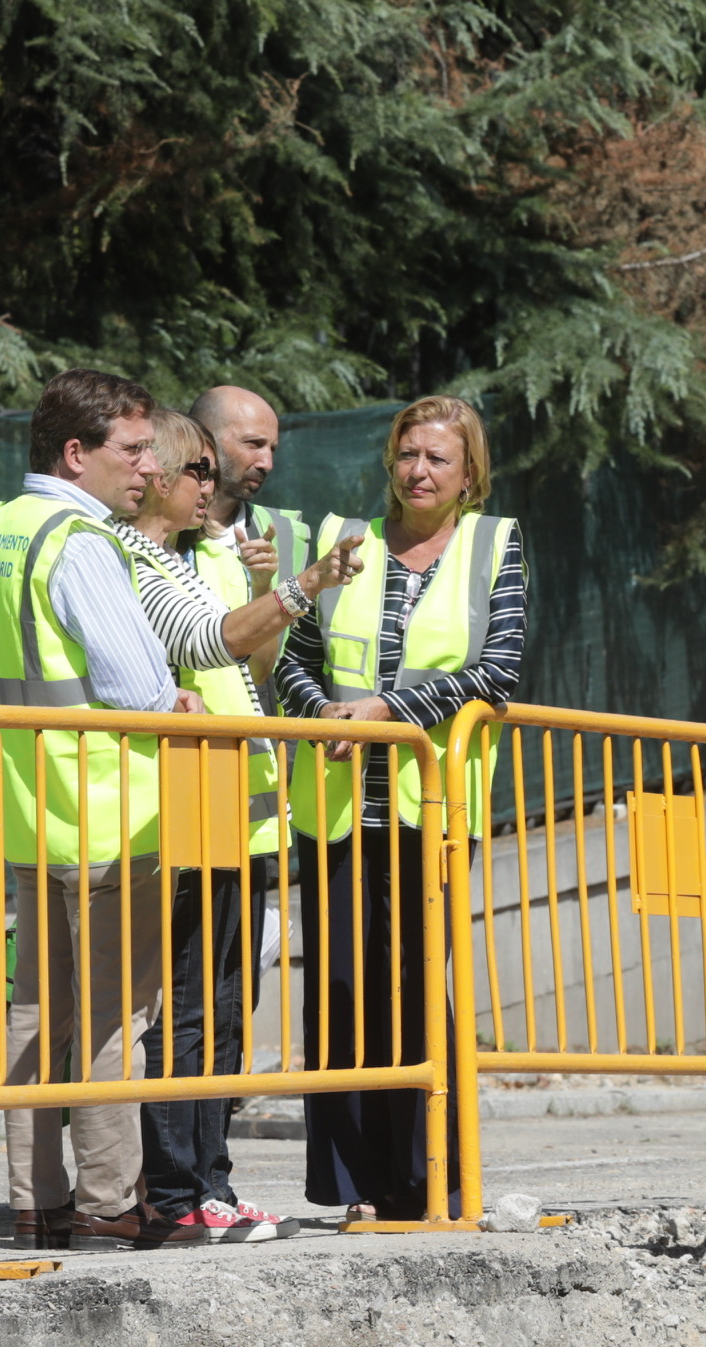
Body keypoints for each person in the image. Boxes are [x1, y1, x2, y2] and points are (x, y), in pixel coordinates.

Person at [110, 406, 362, 1243]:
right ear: (158, 476)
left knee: (223, 1010)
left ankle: (210, 1182)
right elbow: (206, 644)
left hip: (235, 810)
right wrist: (302, 586)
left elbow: (247, 666)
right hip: (183, 810)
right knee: (185, 1012)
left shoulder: (196, 555)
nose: (211, 486)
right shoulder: (136, 560)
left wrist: (268, 591)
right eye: (200, 471)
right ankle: (177, 1192)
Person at [0, 367, 197, 1251]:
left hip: (32, 813)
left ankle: (37, 1200)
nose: (149, 468)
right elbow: (138, 688)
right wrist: (176, 699)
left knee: (34, 1013)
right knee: (112, 1019)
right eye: (132, 450)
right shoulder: (82, 541)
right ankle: (107, 1202)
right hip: (110, 813)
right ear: (75, 452)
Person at [276, 395, 523, 1224]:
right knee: (342, 989)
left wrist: (387, 711)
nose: (419, 471)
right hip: (339, 807)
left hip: (433, 809)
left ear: (469, 472)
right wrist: (324, 714)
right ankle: (352, 1184)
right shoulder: (344, 540)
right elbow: (295, 659)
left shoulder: (494, 545)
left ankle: (429, 1177)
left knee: (419, 984)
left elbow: (499, 669)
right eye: (408, 454)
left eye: (438, 459)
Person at [190, 385, 312, 583]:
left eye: (272, 449)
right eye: (253, 444)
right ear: (203, 438)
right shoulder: (154, 525)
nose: (267, 464)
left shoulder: (288, 536)